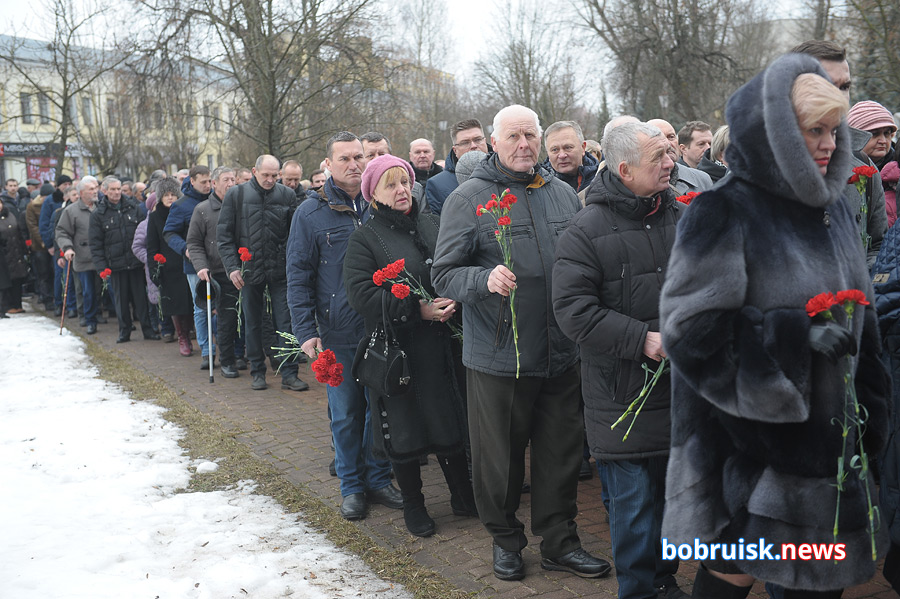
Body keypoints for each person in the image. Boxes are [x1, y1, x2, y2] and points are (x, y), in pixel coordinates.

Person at [659, 53, 890, 597]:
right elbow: (690, 331)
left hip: (828, 451)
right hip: (750, 453)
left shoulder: (836, 213)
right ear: (777, 132)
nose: (831, 144)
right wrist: (792, 338)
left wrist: (873, 411)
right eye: (815, 130)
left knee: (813, 582)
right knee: (737, 575)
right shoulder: (725, 209)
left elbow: (865, 320)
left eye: (835, 130)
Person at [432, 104, 611, 581]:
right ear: (494, 142)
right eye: (513, 136)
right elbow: (443, 274)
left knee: (561, 455)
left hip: (560, 352)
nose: (524, 145)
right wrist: (483, 278)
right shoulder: (468, 198)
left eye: (530, 135)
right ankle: (505, 539)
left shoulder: (562, 195)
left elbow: (583, 263)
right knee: (500, 461)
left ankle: (560, 541)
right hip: (499, 357)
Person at [553, 120, 687, 599]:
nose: (671, 164)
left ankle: (664, 582)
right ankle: (639, 590)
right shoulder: (586, 229)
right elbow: (573, 311)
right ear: (625, 169)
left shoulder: (679, 214)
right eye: (660, 158)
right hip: (621, 397)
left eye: (670, 154)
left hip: (677, 391)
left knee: (674, 505)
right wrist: (642, 339)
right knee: (632, 513)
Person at [342, 154, 477, 537]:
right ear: (373, 195)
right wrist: (417, 309)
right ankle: (414, 506)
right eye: (391, 184)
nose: (402, 190)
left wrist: (456, 298)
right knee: (404, 429)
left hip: (444, 347)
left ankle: (462, 495)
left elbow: (456, 265)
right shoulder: (364, 239)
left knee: (449, 416)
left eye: (405, 181)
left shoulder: (433, 223)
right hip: (399, 351)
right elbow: (361, 295)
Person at [286, 131, 399, 520]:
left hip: (381, 326)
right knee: (347, 414)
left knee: (379, 409)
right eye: (345, 159)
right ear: (329, 165)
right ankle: (352, 486)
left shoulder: (379, 204)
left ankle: (380, 478)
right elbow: (297, 276)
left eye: (359, 157)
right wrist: (306, 331)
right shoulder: (310, 214)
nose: (354, 165)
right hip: (337, 333)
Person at [792, 39, 888, 267]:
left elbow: (878, 244)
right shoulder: (751, 172)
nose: (837, 96)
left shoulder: (863, 168)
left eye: (844, 86)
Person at [218, 155, 308, 392]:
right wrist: (232, 267)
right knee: (253, 322)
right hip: (249, 270)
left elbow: (295, 234)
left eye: (274, 175)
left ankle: (289, 373)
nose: (270, 180)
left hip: (280, 270)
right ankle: (258, 371)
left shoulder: (287, 195)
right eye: (265, 175)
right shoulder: (236, 195)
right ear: (254, 171)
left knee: (286, 322)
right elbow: (224, 236)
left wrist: (293, 263)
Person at [186, 166, 242, 378]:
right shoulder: (202, 209)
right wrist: (201, 266)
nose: (230, 183)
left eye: (233, 179)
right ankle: (227, 360)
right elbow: (194, 242)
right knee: (226, 319)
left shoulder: (241, 205)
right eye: (226, 179)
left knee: (247, 317)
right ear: (214, 183)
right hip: (219, 272)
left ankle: (242, 354)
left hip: (244, 269)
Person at [89, 177, 157, 343]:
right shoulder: (98, 214)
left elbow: (144, 233)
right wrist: (102, 268)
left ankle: (148, 330)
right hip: (115, 264)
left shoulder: (133, 206)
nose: (116, 192)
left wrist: (145, 259)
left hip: (135, 262)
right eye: (112, 189)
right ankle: (124, 331)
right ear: (104, 191)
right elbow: (96, 244)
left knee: (141, 299)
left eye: (118, 189)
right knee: (121, 301)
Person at [164, 166, 214, 368]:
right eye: (203, 182)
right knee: (201, 307)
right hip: (194, 264)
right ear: (192, 181)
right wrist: (184, 248)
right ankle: (207, 350)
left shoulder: (216, 200)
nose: (208, 185)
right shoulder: (181, 205)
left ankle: (229, 349)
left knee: (222, 308)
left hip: (219, 261)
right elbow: (169, 233)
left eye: (210, 181)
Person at [147, 178, 195, 356]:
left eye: (173, 194)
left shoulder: (184, 212)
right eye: (166, 195)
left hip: (187, 262)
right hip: (168, 267)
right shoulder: (155, 217)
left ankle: (189, 332)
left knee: (190, 302)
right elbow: (151, 246)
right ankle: (182, 337)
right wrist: (154, 269)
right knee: (174, 306)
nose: (170, 198)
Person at [55, 177, 101, 334]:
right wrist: (67, 248)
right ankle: (89, 320)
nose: (95, 191)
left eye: (96, 188)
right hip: (83, 258)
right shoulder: (71, 211)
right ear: (81, 193)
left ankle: (98, 313)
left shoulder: (101, 207)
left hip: (101, 257)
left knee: (101, 289)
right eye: (91, 189)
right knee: (87, 291)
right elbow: (61, 232)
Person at [425, 119, 490, 215]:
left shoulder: (506, 170)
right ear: (455, 150)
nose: (473, 145)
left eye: (478, 140)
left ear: (485, 141)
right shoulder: (437, 185)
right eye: (465, 142)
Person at [543, 120, 600, 193]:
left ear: (582, 148)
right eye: (555, 150)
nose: (562, 155)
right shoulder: (537, 186)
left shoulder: (603, 180)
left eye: (568, 147)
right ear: (548, 153)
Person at [0, 194, 27, 315]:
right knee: (6, 281)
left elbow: (18, 230)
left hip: (16, 251)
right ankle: (7, 305)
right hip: (3, 253)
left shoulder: (10, 214)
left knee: (17, 279)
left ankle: (17, 304)